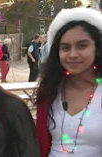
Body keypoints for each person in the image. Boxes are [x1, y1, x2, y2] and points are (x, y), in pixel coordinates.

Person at [36, 8, 102, 157]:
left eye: (82, 46)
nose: (73, 54)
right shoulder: (49, 90)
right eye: (65, 48)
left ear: (97, 48)